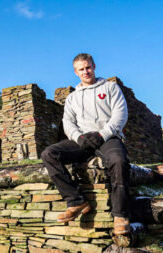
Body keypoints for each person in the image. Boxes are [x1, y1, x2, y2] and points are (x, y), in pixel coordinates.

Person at [41, 53, 131, 236]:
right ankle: (75, 201)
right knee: (49, 154)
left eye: (88, 67)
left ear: (94, 66)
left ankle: (120, 215)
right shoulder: (72, 98)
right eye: (81, 69)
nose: (86, 71)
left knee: (118, 161)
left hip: (107, 138)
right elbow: (68, 123)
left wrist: (103, 134)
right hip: (82, 140)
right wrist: (79, 138)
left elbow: (120, 115)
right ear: (76, 72)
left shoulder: (110, 88)